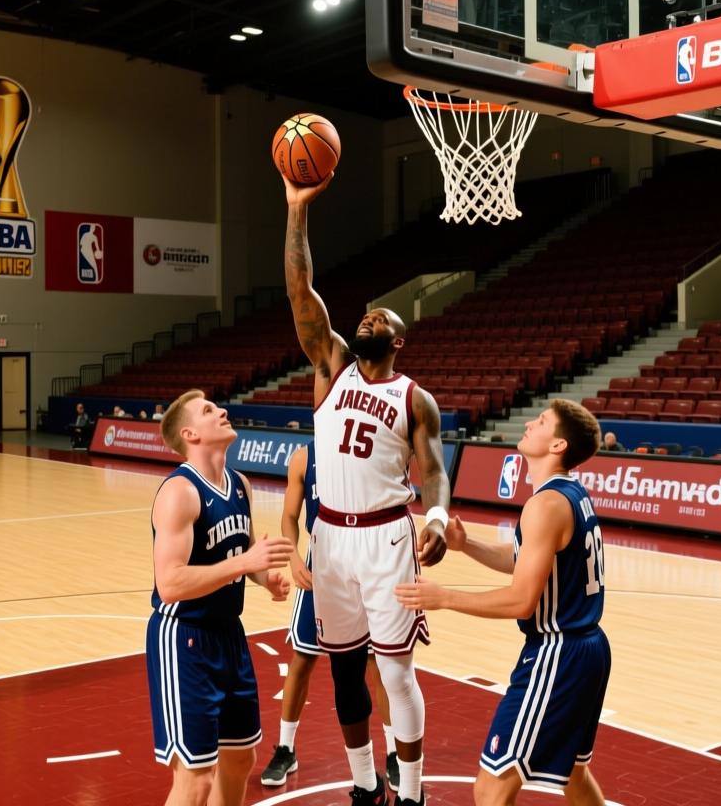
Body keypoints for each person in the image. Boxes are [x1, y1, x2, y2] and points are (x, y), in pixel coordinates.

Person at [283, 173, 449, 806]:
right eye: (364, 314)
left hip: (386, 539)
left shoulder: (414, 397)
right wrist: (298, 212)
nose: (367, 316)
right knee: (344, 668)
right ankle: (363, 783)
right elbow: (301, 290)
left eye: (381, 316)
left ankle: (411, 792)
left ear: (398, 340)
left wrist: (435, 518)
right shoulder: (331, 366)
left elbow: (432, 468)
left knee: (397, 671)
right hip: (330, 540)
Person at [396, 399, 610, 806]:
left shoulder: (545, 505)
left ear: (558, 445)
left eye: (542, 421)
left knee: (491, 787)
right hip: (588, 649)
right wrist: (467, 545)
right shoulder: (568, 495)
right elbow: (524, 560)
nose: (530, 423)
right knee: (574, 774)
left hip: (557, 652)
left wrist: (444, 598)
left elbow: (522, 600)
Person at [146, 390, 293, 806]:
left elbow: (238, 549)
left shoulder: (240, 485)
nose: (222, 411)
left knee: (240, 759)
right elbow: (170, 583)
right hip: (184, 639)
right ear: (190, 434)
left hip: (229, 635)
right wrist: (247, 563)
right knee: (196, 780)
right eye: (209, 410)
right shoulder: (180, 492)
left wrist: (265, 577)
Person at [260, 443, 400, 791]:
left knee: (375, 662)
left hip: (368, 562)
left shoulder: (368, 448)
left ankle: (395, 752)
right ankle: (285, 749)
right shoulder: (304, 457)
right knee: (303, 657)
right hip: (321, 561)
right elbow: (289, 516)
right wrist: (293, 556)